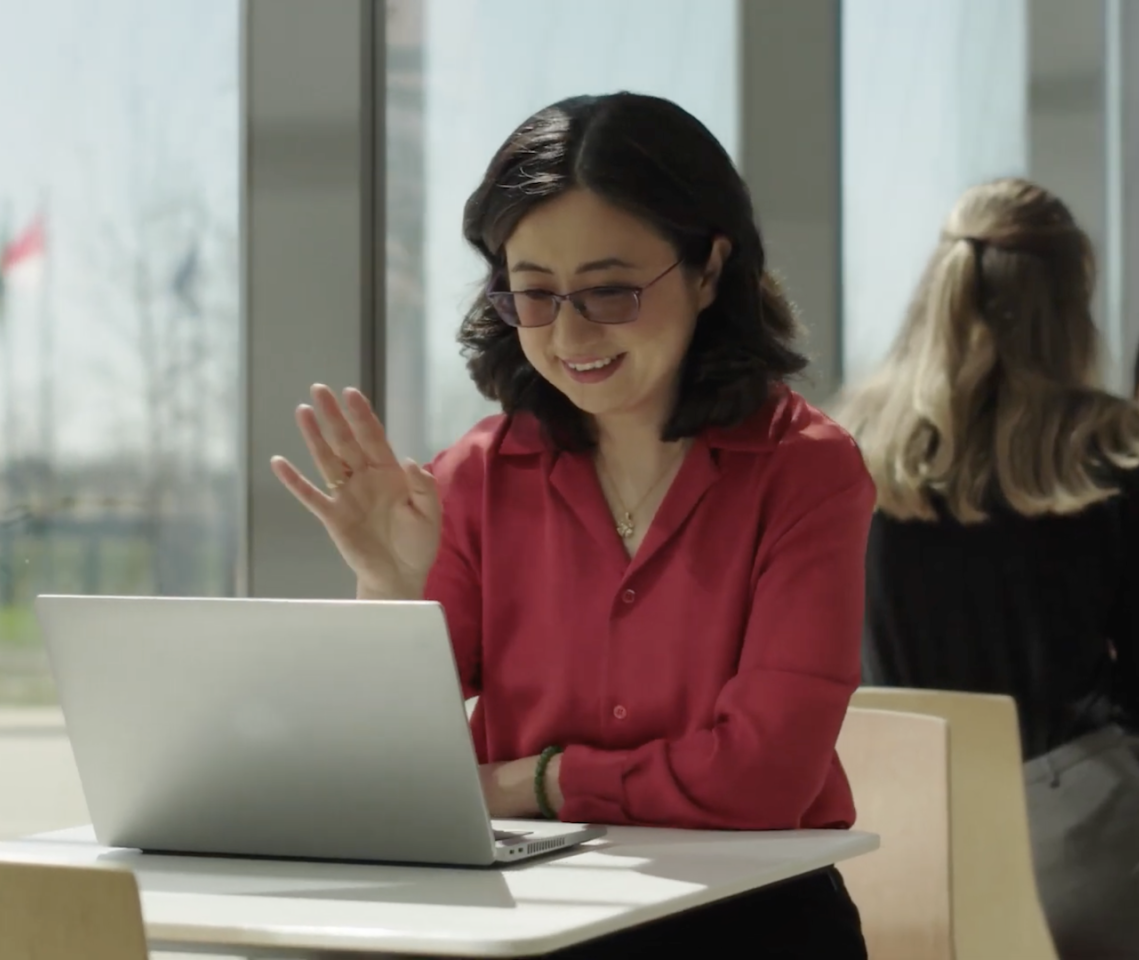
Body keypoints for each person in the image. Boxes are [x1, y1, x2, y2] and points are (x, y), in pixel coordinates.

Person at [272, 92, 872, 958]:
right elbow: (391, 777)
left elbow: (763, 779)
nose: (569, 333)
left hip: (750, 924)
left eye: (611, 291)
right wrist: (386, 590)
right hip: (528, 925)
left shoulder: (806, 471)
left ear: (708, 269)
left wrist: (533, 781)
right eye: (534, 295)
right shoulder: (474, 478)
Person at [837, 177, 1139, 959]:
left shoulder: (846, 447)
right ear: (1071, 299)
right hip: (1071, 834)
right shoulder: (1109, 448)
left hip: (884, 831)